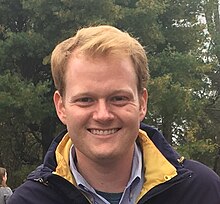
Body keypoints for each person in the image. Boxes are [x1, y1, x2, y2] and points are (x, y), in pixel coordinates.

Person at [8, 25, 220, 204]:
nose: (103, 115)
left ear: (142, 103)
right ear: (61, 107)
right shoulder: (29, 200)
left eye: (118, 98)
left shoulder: (203, 191)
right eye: (85, 100)